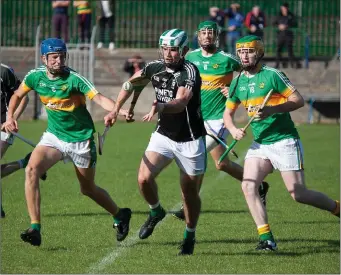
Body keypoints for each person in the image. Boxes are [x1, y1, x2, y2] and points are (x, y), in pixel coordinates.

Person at [2, 38, 132, 246]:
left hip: (81, 140)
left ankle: (120, 214)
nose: (59, 60)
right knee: (32, 170)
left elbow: (98, 98)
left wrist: (117, 110)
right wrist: (10, 117)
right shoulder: (35, 77)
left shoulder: (75, 79)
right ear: (44, 58)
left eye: (62, 56)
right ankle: (35, 228)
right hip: (54, 137)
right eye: (54, 57)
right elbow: (17, 95)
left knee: (87, 189)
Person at [223, 35, 340, 251]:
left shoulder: (273, 75)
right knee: (248, 186)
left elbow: (298, 100)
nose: (244, 55)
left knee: (298, 193)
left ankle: (337, 209)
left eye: (248, 51)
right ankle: (267, 239)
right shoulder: (238, 81)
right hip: (260, 144)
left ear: (258, 52)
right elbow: (227, 113)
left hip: (284, 140)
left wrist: (271, 110)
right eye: (241, 51)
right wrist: (232, 129)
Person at [105, 29, 206, 255]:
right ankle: (155, 212)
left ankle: (189, 234)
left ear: (184, 51)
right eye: (165, 48)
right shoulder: (154, 67)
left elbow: (180, 103)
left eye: (173, 49)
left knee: (189, 194)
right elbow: (130, 84)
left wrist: (161, 106)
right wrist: (115, 110)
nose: (168, 54)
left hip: (190, 139)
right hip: (164, 135)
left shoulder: (189, 71)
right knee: (143, 179)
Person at [172, 21, 269, 221]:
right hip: (197, 118)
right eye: (204, 33)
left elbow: (251, 72)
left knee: (196, 156)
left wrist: (233, 88)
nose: (207, 36)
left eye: (211, 33)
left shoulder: (227, 59)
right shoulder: (189, 57)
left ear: (217, 36)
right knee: (222, 164)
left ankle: (187, 204)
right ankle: (259, 185)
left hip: (219, 119)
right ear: (197, 36)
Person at [0, 64, 46, 218]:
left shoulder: (4, 71)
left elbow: (24, 98)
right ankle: (23, 162)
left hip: (5, 128)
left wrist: (11, 120)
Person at [273, 3, 298, 68]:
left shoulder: (291, 15)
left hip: (288, 35)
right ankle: (277, 64)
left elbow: (295, 24)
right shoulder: (279, 15)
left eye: (284, 8)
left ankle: (292, 64)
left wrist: (287, 26)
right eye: (282, 8)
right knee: (279, 50)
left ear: (287, 8)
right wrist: (279, 26)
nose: (283, 10)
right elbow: (274, 23)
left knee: (290, 50)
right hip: (280, 35)